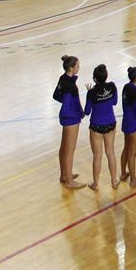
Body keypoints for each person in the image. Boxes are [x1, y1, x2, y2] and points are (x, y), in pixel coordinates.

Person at [54, 55, 86, 189]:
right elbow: (67, 105)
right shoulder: (70, 85)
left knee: (64, 148)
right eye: (77, 66)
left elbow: (56, 95)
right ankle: (69, 181)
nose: (79, 67)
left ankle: (64, 175)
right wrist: (77, 112)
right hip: (71, 119)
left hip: (67, 118)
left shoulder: (63, 78)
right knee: (69, 151)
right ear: (71, 68)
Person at [118, 66, 136, 187]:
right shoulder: (135, 93)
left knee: (126, 148)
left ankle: (123, 173)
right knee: (132, 153)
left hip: (126, 122)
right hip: (134, 125)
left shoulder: (126, 87)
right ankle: (133, 180)